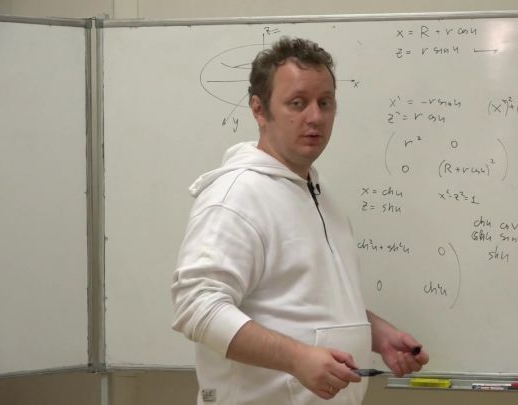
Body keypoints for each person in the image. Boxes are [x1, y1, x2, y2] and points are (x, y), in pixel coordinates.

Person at [171, 37, 429, 405]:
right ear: (259, 110)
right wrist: (296, 358)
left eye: (325, 102)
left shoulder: (320, 197)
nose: (315, 117)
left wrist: (377, 334)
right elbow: (198, 306)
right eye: (297, 103)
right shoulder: (235, 197)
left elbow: (306, 305)